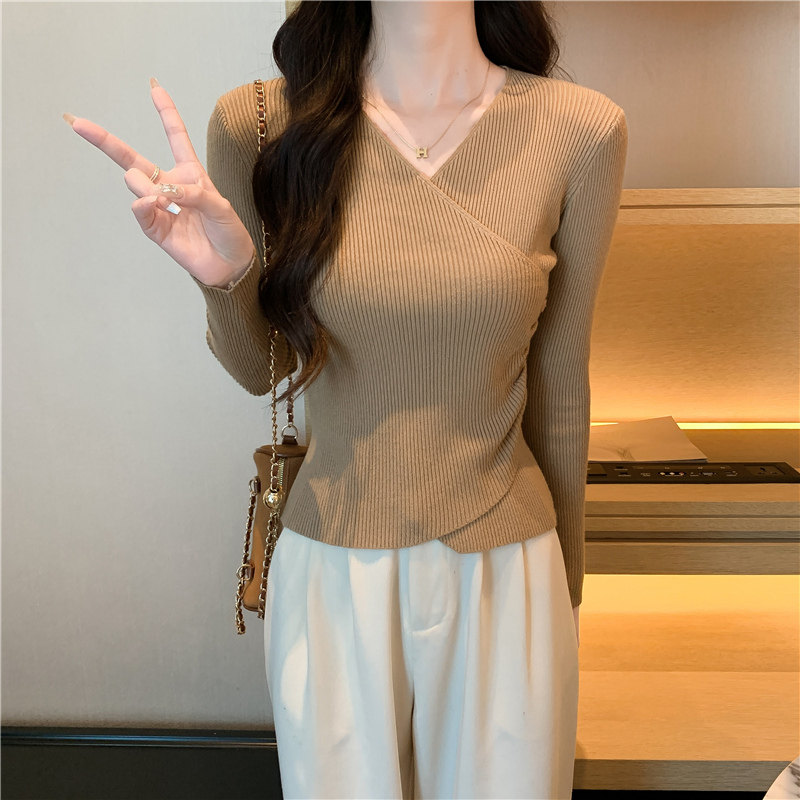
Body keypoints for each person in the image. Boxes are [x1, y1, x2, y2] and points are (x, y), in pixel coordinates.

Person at [63, 1, 628, 797]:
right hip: (333, 570)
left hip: (508, 572)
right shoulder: (262, 124)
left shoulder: (581, 130)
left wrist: (564, 601)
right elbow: (261, 371)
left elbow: (562, 384)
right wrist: (227, 279)